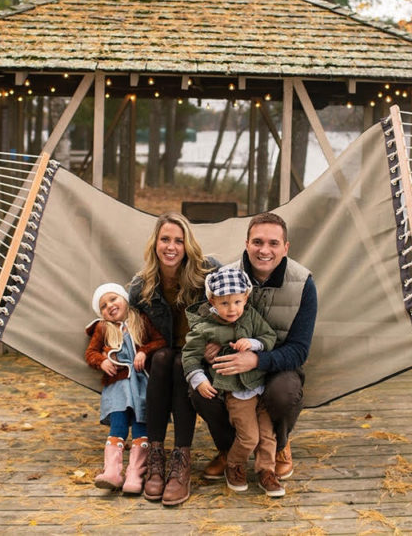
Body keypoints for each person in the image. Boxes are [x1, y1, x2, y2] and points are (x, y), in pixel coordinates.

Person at [191, 212, 317, 483]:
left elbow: (299, 350)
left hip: (277, 364)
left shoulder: (303, 283)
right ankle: (229, 450)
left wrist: (257, 360)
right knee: (200, 389)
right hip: (231, 362)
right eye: (257, 242)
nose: (264, 250)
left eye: (273, 243)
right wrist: (208, 344)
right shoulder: (225, 277)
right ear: (247, 243)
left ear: (286, 247)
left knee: (284, 392)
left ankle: (279, 446)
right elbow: (203, 319)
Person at [128, 212, 217, 506]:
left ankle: (181, 459)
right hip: (161, 358)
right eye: (165, 239)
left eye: (179, 241)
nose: (171, 246)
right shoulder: (141, 286)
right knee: (166, 357)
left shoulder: (208, 274)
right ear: (155, 243)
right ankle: (156, 456)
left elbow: (238, 305)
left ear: (187, 245)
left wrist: (218, 341)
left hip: (198, 359)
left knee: (182, 362)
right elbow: (125, 325)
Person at [182, 267, 285, 497]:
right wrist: (198, 379)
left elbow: (269, 337)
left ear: (246, 298)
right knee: (249, 436)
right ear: (212, 300)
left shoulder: (250, 316)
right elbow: (189, 355)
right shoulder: (205, 327)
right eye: (225, 303)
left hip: (261, 385)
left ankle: (266, 472)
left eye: (237, 302)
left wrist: (254, 343)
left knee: (268, 435)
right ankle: (235, 464)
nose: (232, 309)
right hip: (237, 391)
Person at [84, 282, 165, 494]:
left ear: (125, 300)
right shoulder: (103, 328)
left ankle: (135, 474)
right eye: (103, 305)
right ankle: (112, 472)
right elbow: (90, 353)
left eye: (113, 299)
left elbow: (160, 341)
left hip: (140, 384)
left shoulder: (141, 321)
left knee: (141, 425)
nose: (109, 306)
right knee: (118, 426)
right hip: (117, 386)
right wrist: (101, 361)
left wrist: (144, 351)